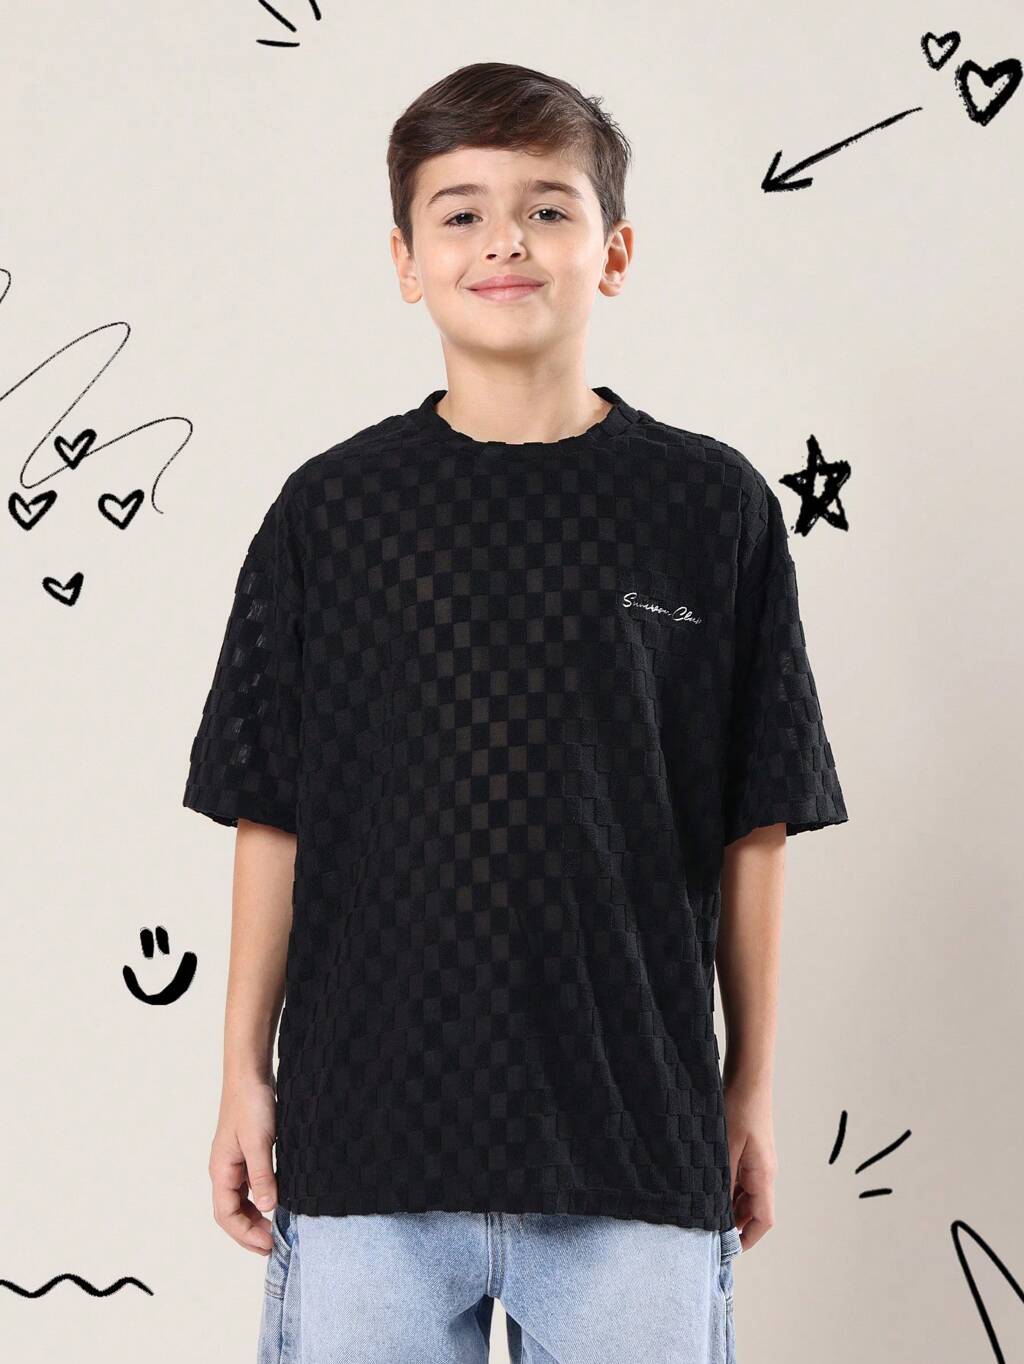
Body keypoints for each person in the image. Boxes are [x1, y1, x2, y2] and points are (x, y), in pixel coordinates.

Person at [182, 59, 848, 1364]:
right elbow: (272, 811)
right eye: (462, 212)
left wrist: (750, 1091)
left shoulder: (709, 509)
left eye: (548, 208)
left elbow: (755, 824)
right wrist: (241, 1076)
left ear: (615, 251)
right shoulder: (333, 512)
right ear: (405, 260)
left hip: (633, 1143)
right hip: (366, 1141)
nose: (505, 241)